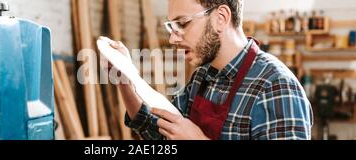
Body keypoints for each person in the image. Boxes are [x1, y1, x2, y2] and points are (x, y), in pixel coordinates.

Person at [106, 0, 313, 140]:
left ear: (220, 18)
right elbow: (160, 131)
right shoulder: (202, 77)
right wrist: (125, 78)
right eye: (171, 27)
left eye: (182, 23)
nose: (173, 38)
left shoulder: (275, 86)